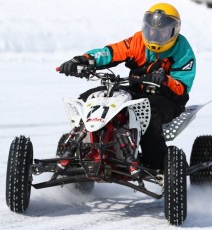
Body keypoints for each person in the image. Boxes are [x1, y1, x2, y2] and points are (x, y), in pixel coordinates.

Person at [59, 2, 196, 175]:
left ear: (174, 31)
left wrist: (164, 80)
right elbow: (110, 52)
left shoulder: (182, 50)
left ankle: (157, 163)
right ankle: (81, 151)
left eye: (161, 31)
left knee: (149, 114)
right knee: (90, 99)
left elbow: (182, 86)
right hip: (137, 90)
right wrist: (82, 60)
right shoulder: (137, 41)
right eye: (151, 29)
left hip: (168, 98)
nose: (154, 35)